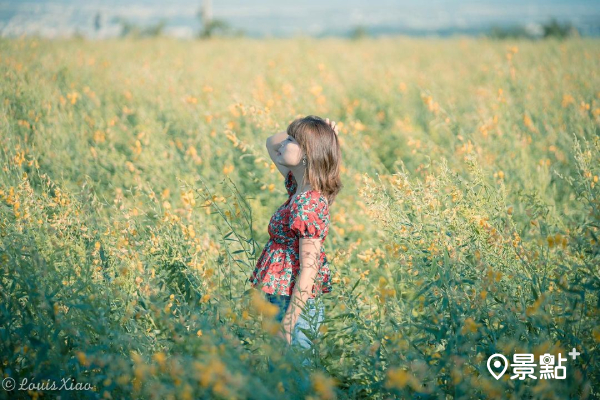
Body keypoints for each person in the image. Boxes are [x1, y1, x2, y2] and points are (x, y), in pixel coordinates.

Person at [248, 116, 343, 367]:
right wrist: (319, 133)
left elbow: (309, 270)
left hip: (294, 306)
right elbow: (271, 142)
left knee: (293, 380)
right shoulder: (298, 186)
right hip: (282, 297)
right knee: (279, 378)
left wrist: (287, 326)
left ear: (307, 153)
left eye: (291, 140)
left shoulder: (308, 202)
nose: (283, 144)